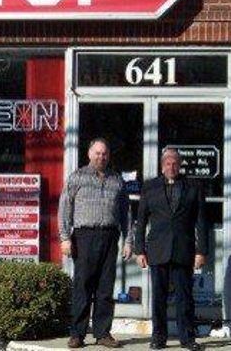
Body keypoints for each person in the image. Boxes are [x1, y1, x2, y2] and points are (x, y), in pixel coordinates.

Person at [58, 138, 133, 348]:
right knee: (82, 286)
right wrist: (64, 238)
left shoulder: (116, 180)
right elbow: (64, 208)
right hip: (84, 236)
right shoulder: (77, 178)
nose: (101, 157)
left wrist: (128, 241)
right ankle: (77, 334)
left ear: (108, 156)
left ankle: (102, 333)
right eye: (97, 153)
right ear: (89, 154)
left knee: (105, 288)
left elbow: (126, 213)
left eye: (105, 154)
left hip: (110, 236)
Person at [135, 148, 208, 351]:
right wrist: (140, 250)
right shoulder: (149, 187)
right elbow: (141, 221)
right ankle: (158, 337)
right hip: (157, 251)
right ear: (162, 166)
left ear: (180, 164)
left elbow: (202, 222)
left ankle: (187, 338)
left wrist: (201, 251)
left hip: (184, 251)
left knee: (185, 298)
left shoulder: (194, 186)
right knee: (158, 297)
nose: (171, 166)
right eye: (167, 163)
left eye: (175, 163)